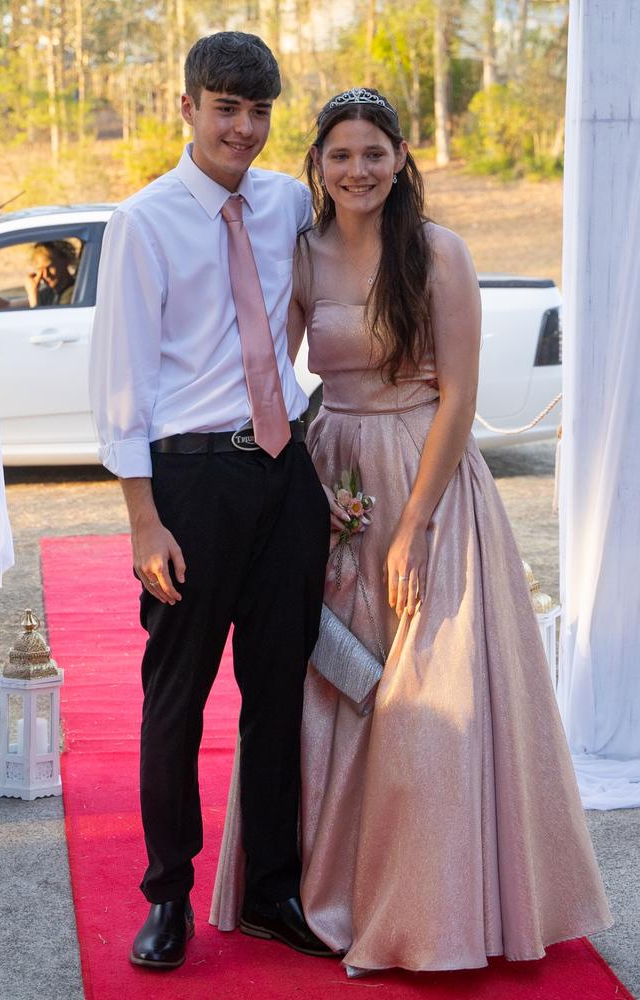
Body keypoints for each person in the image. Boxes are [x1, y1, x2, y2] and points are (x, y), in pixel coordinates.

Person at [211, 87, 613, 975]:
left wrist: (410, 528)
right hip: (331, 474)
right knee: (328, 680)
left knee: (434, 698)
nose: (357, 170)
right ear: (317, 165)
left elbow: (460, 399)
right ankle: (317, 887)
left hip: (427, 478)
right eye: (340, 155)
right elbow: (266, 374)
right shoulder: (304, 257)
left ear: (401, 160)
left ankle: (437, 905)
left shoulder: (439, 254)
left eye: (373, 154)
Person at [89, 32, 333, 971]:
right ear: (187, 107)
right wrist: (144, 518)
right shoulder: (144, 221)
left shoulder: (283, 204)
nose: (245, 127)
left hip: (286, 474)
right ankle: (168, 895)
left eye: (260, 110)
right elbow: (124, 380)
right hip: (192, 483)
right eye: (227, 107)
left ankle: (271, 890)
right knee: (176, 697)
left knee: (279, 692)